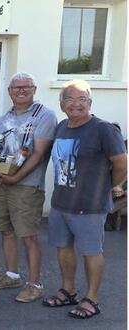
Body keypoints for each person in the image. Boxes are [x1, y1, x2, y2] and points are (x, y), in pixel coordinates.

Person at [42, 80, 126, 319]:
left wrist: (109, 186)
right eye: (70, 99)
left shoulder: (103, 129)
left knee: (91, 251)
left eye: (82, 100)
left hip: (89, 206)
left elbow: (122, 163)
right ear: (61, 104)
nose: (76, 104)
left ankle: (92, 299)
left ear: (90, 103)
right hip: (61, 202)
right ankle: (68, 291)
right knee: (64, 248)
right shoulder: (61, 127)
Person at [0, 72, 57, 302]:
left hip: (26, 186)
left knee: (28, 235)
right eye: (16, 87)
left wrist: (15, 178)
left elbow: (38, 154)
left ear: (34, 89)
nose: (21, 90)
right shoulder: (3, 119)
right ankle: (11, 275)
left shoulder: (44, 115)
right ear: (9, 92)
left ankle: (35, 284)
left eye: (26, 87)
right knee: (6, 231)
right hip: (3, 184)